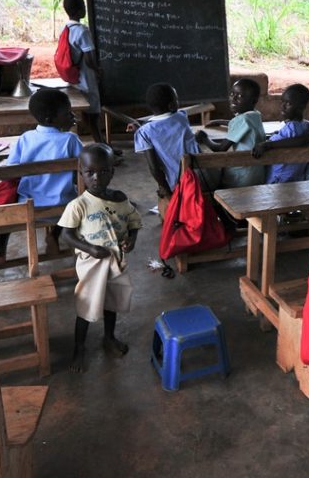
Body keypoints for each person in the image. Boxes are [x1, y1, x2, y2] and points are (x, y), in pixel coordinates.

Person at [0, 88, 83, 266]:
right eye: (67, 113)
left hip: (27, 207)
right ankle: (54, 235)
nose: (72, 115)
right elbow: (86, 166)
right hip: (63, 207)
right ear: (50, 119)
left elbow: (10, 171)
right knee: (78, 199)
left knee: (8, 201)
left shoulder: (25, 138)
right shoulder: (70, 139)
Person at [59, 144, 141, 373]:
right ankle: (79, 347)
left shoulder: (121, 199)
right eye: (90, 173)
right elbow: (66, 235)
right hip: (91, 265)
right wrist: (90, 249)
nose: (97, 178)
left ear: (113, 170)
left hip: (115, 261)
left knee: (111, 302)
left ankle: (109, 338)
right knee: (87, 304)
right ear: (81, 172)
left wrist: (132, 239)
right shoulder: (78, 205)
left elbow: (134, 222)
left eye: (104, 172)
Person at [133, 83, 199, 211]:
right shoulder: (182, 117)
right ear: (171, 105)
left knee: (161, 186)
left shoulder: (144, 132)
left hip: (177, 184)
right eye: (176, 99)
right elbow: (165, 124)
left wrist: (168, 193)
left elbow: (154, 168)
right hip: (201, 175)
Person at [194, 78, 265, 188]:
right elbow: (240, 124)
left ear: (254, 101)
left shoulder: (242, 120)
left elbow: (220, 149)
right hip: (257, 174)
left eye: (240, 96)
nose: (233, 99)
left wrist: (205, 139)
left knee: (207, 174)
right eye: (232, 94)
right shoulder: (255, 115)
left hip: (241, 177)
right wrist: (219, 121)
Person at [61, 0, 110, 149]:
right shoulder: (82, 31)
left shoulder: (66, 29)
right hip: (86, 77)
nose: (85, 10)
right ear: (78, 10)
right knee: (94, 115)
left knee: (87, 114)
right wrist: (98, 70)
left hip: (74, 78)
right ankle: (102, 147)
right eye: (83, 7)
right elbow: (89, 59)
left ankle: (102, 144)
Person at [265, 84, 309, 184]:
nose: (282, 106)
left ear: (301, 107)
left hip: (279, 179)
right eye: (282, 101)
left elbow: (273, 143)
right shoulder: (306, 126)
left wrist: (267, 142)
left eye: (288, 103)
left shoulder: (292, 128)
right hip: (296, 179)